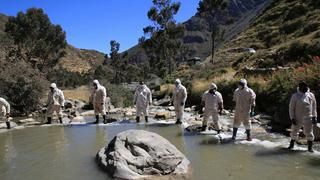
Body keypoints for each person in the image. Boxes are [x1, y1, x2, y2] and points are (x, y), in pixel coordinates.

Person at [288, 82, 317, 152]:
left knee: (309, 132)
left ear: (307, 87)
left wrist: (314, 116)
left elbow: (313, 107)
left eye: (305, 87)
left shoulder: (311, 95)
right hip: (297, 117)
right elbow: (291, 108)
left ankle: (310, 148)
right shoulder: (295, 96)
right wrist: (292, 118)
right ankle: (291, 145)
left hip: (308, 116)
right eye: (302, 87)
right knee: (294, 131)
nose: (304, 88)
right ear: (299, 87)